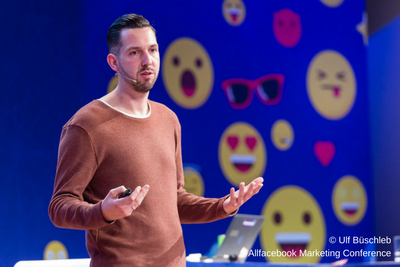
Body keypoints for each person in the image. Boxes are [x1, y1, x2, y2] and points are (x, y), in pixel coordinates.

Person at [48, 13, 264, 267]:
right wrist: (102, 212)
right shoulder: (86, 125)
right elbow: (59, 207)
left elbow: (175, 200)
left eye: (152, 50)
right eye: (134, 53)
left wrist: (223, 206)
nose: (147, 60)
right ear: (113, 62)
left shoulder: (168, 119)